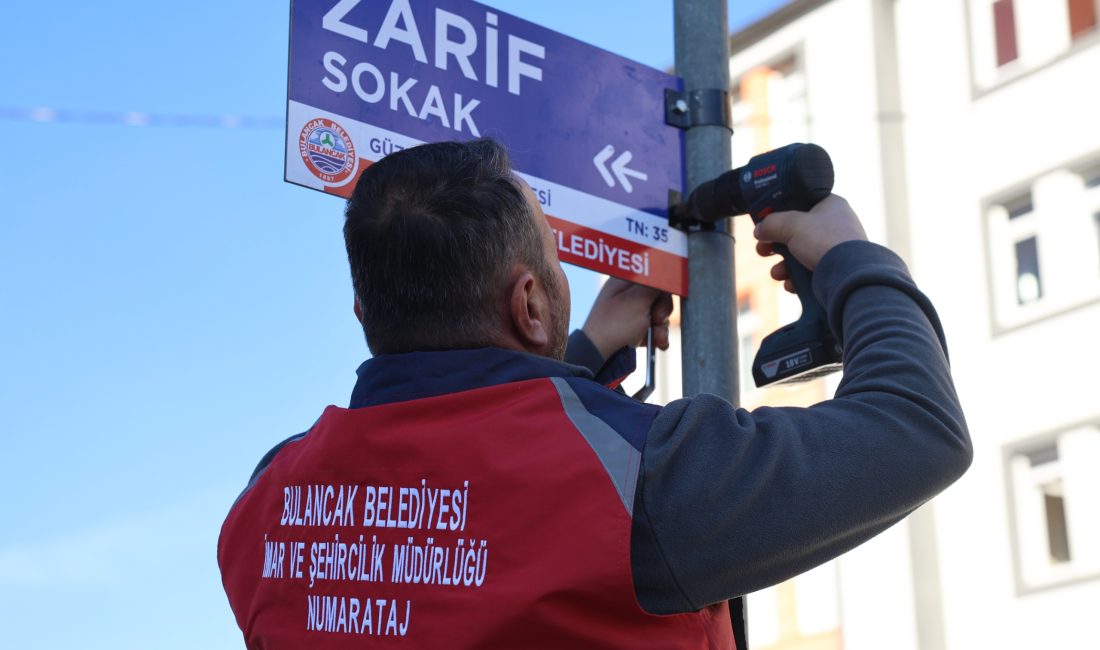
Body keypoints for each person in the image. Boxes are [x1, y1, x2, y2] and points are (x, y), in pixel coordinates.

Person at [218, 139, 971, 648]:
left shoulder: (262, 508)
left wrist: (588, 350)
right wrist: (850, 257)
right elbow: (915, 428)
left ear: (364, 313)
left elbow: (475, 503)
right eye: (553, 263)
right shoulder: (645, 479)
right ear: (530, 305)